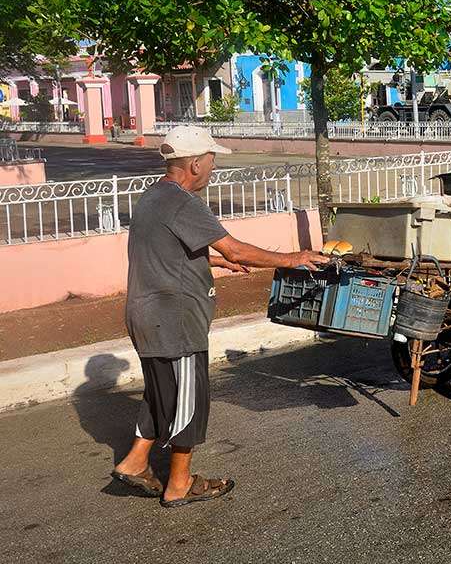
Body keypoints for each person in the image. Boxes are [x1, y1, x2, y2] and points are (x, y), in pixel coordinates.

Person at [110, 125, 327, 507]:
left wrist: (211, 262)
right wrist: (293, 258)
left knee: (163, 393)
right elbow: (237, 249)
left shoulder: (152, 198)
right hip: (175, 316)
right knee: (190, 399)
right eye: (211, 162)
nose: (212, 170)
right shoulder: (183, 203)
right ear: (194, 164)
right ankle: (179, 483)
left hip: (144, 313)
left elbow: (166, 250)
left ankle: (134, 462)